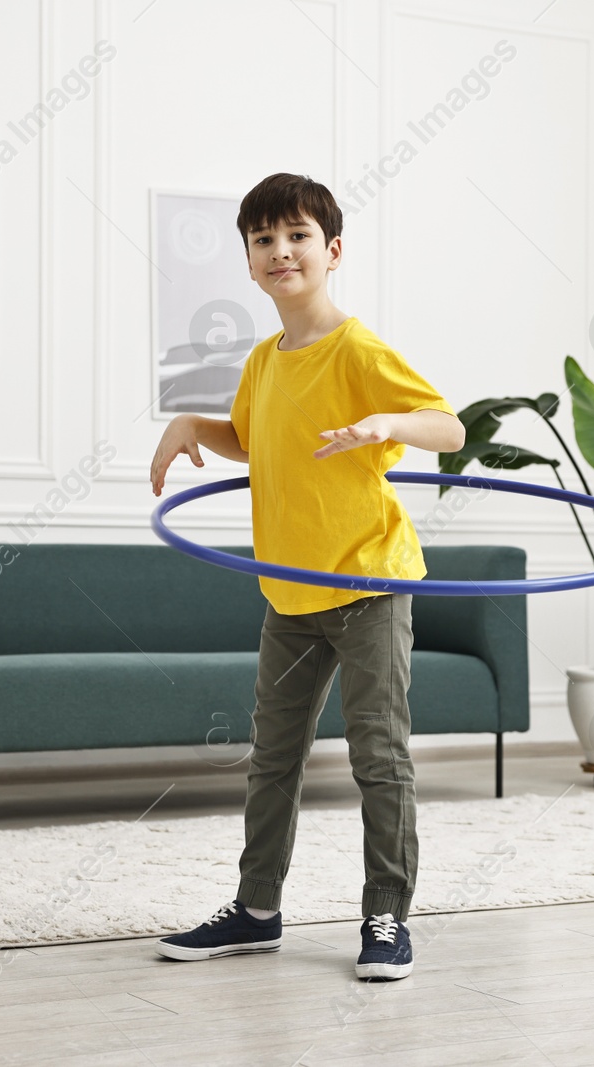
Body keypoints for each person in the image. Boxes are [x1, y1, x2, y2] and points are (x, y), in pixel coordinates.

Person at [147, 172, 466, 981]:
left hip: (367, 583)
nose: (279, 251)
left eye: (295, 237)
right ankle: (256, 911)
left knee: (378, 755)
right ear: (250, 263)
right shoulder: (264, 361)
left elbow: (449, 427)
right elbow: (254, 442)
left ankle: (387, 917)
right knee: (272, 755)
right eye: (263, 240)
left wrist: (387, 422)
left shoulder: (356, 349)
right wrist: (191, 424)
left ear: (331, 251)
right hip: (290, 591)